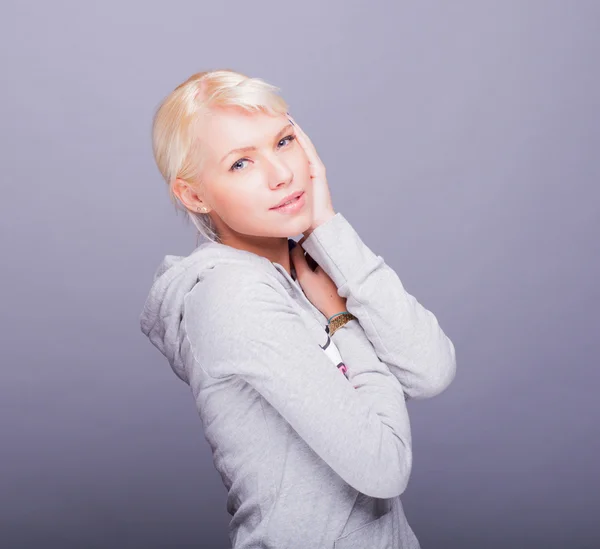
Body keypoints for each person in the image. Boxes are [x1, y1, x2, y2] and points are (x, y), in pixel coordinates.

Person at [139, 69, 456, 549]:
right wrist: (341, 320)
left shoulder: (301, 267)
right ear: (194, 195)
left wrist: (326, 227)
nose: (282, 173)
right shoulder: (232, 296)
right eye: (240, 164)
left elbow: (430, 370)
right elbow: (385, 467)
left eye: (284, 141)